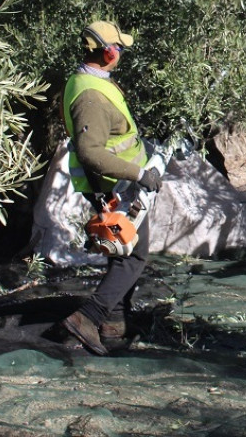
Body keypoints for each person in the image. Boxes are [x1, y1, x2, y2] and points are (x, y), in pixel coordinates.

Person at [59, 20, 163, 355]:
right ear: (107, 52)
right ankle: (87, 317)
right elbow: (92, 153)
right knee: (133, 257)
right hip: (115, 186)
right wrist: (139, 174)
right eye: (118, 47)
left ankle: (115, 323)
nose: (121, 53)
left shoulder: (90, 80)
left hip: (119, 183)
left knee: (123, 250)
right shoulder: (91, 95)